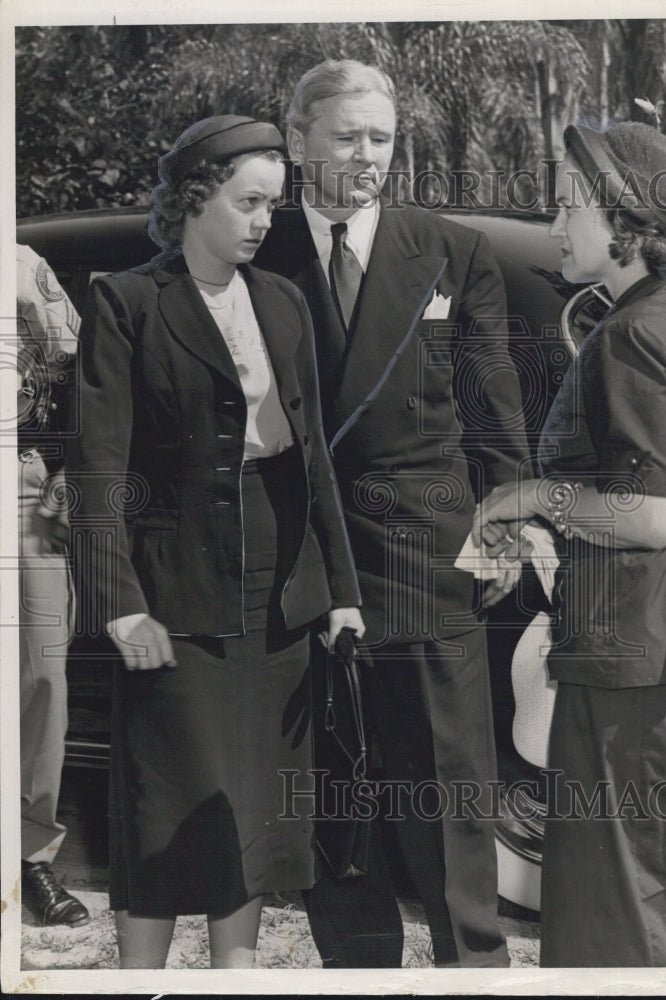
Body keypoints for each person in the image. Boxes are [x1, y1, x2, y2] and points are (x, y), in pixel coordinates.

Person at [65, 115, 363, 969]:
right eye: (248, 202)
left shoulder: (282, 301)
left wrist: (338, 591)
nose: (265, 220)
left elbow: (313, 463)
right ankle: (140, 979)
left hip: (281, 592)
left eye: (274, 203)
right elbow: (96, 469)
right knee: (165, 806)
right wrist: (120, 606)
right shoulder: (127, 302)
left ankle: (235, 978)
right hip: (173, 592)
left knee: (256, 808)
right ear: (195, 197)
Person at [254, 59, 530, 969]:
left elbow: (493, 411)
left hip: (426, 554)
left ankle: (474, 968)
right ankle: (356, 969)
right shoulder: (256, 245)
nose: (369, 158)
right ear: (297, 142)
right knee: (332, 791)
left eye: (382, 138)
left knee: (448, 787)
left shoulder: (451, 250)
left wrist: (504, 526)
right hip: (296, 561)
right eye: (347, 137)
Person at [473, 122, 666, 967]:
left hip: (641, 650)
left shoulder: (634, 332)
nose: (556, 224)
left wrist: (527, 494)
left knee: (625, 918)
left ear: (624, 220)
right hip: (663, 635)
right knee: (659, 902)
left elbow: (648, 514)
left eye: (567, 206)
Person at [17, 244, 89, 928]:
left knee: (42, 674)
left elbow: (75, 367)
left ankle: (28, 857)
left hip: (18, 482)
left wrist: (66, 467)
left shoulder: (21, 265)